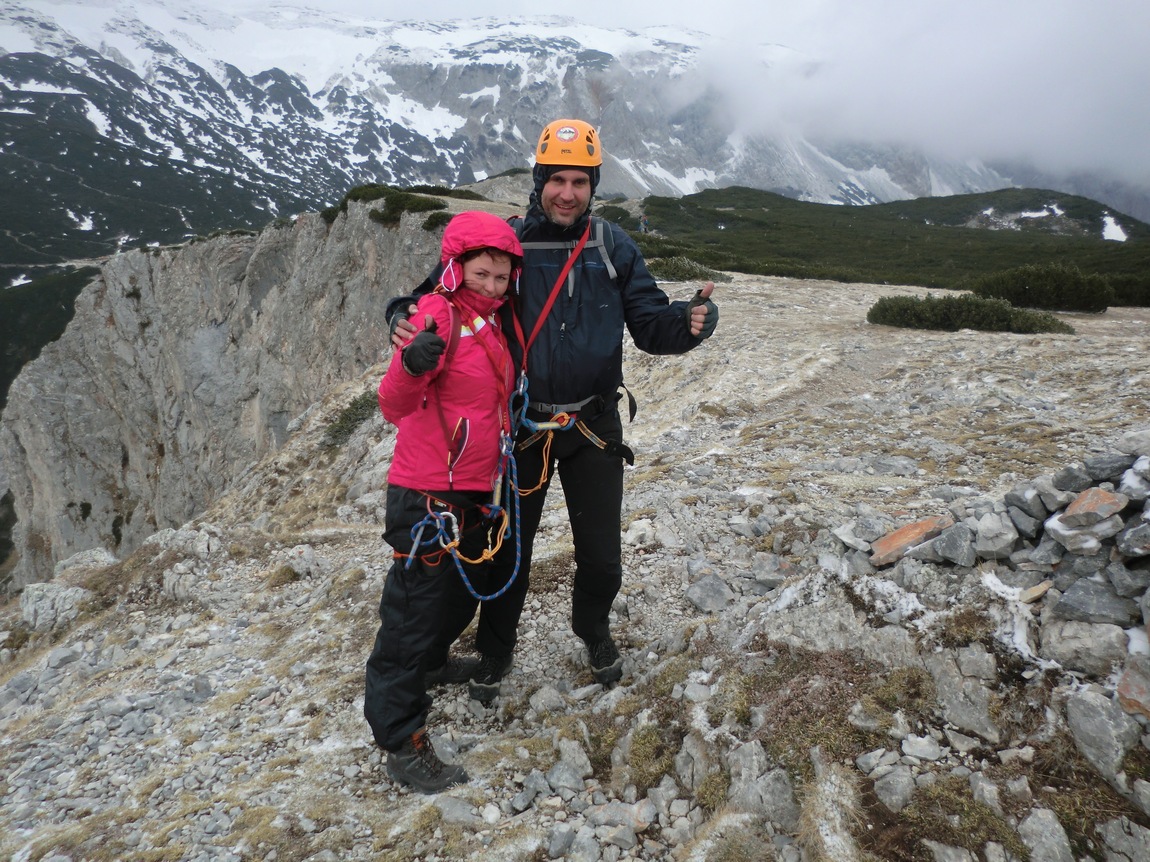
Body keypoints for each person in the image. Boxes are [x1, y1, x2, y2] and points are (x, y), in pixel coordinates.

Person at [388, 118, 718, 700]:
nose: (567, 193)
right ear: (539, 180)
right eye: (557, 180)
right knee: (508, 554)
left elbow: (649, 325)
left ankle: (593, 630)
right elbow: (433, 296)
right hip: (522, 427)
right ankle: (496, 649)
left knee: (601, 555)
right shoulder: (508, 244)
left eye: (580, 182)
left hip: (593, 423)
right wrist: (399, 315)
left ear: (593, 187)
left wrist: (688, 324)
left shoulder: (612, 246)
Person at [364, 210, 523, 793]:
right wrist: (411, 364)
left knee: (449, 597)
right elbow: (393, 404)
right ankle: (400, 740)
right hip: (427, 495)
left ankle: (433, 664)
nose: (493, 286)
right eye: (482, 274)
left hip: (470, 490)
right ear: (456, 268)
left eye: (502, 277)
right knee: (409, 619)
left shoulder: (491, 321)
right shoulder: (436, 314)